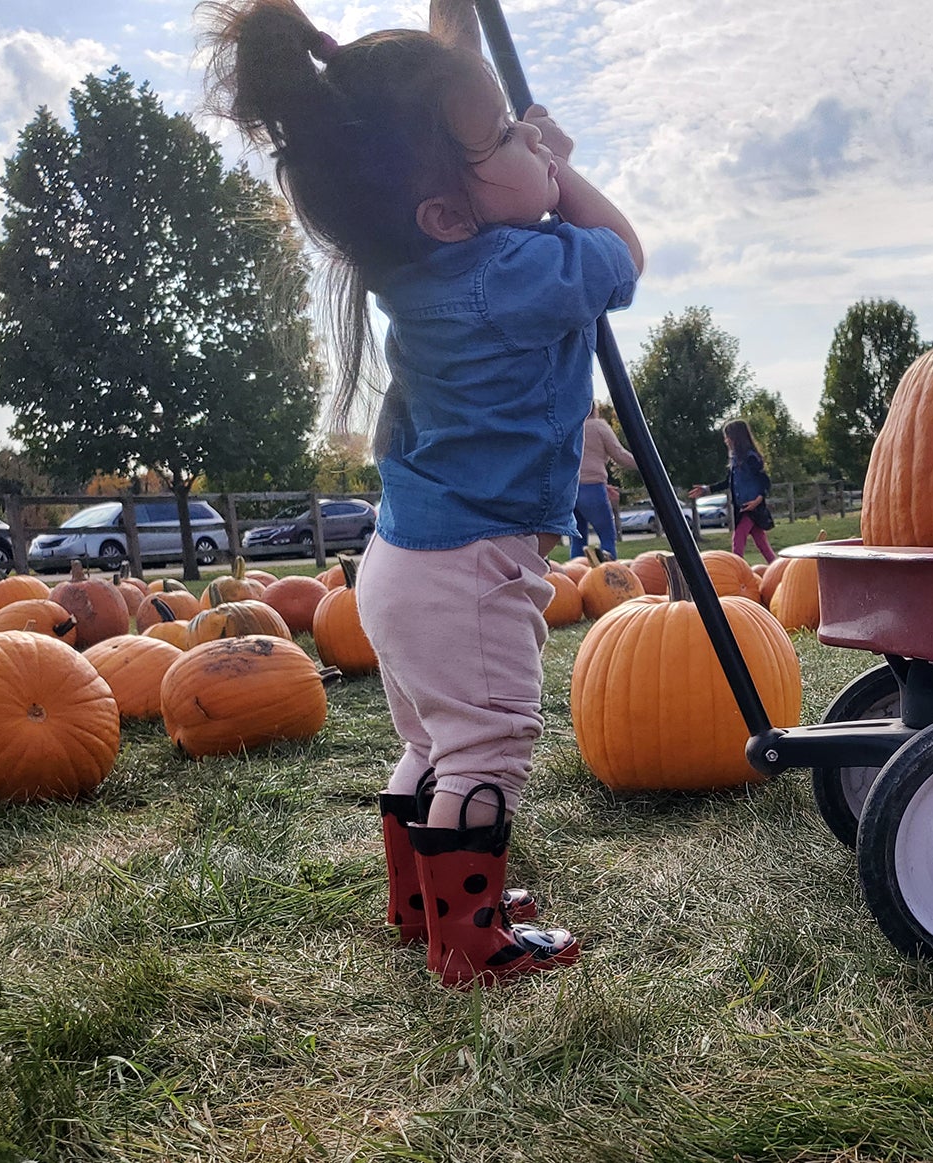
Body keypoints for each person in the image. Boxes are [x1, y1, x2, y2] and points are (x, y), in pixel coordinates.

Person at [201, 0, 643, 988]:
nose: (524, 135)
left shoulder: (427, 260)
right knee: (487, 743)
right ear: (445, 211)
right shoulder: (513, 270)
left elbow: (450, 108)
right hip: (472, 564)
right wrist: (561, 167)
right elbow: (621, 254)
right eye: (503, 135)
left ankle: (426, 906)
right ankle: (471, 940)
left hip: (403, 561)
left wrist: (470, 69)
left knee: (430, 741)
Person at [687, 419, 777, 563]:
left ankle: (736, 570)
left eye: (727, 437)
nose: (725, 440)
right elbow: (727, 482)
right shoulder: (735, 462)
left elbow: (765, 482)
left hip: (753, 508)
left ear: (737, 438)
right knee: (761, 544)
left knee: (738, 539)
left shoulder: (750, 458)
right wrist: (707, 489)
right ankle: (778, 567)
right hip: (742, 508)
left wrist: (758, 500)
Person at [572, 404, 636, 559]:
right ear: (594, 408)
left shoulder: (570, 426)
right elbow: (619, 454)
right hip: (593, 488)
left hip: (570, 490)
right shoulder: (599, 426)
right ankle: (609, 574)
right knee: (607, 535)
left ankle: (575, 578)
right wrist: (647, 464)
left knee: (577, 539)